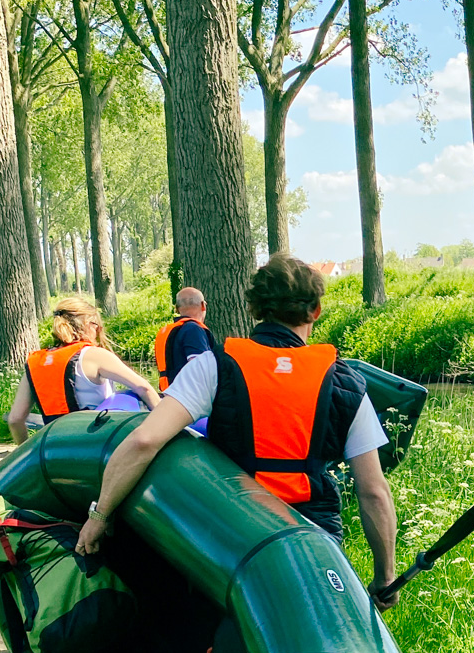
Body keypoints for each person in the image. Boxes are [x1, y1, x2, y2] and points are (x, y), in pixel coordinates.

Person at [73, 256, 400, 610]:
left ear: (254, 308)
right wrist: (385, 578)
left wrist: (99, 516)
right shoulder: (344, 381)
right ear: (315, 311)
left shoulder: (216, 364)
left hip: (232, 530)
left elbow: (143, 440)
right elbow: (373, 492)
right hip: (313, 535)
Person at [7, 297, 160, 444]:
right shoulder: (95, 355)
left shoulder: (35, 361)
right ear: (87, 324)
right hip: (95, 443)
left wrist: (26, 448)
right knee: (127, 397)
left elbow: (15, 420)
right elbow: (144, 388)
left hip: (54, 444)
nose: (98, 331)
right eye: (96, 325)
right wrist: (167, 424)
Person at [154, 286, 213, 391]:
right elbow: (199, 369)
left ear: (177, 308)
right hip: (191, 395)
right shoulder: (193, 330)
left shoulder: (169, 332)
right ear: (203, 305)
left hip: (169, 393)